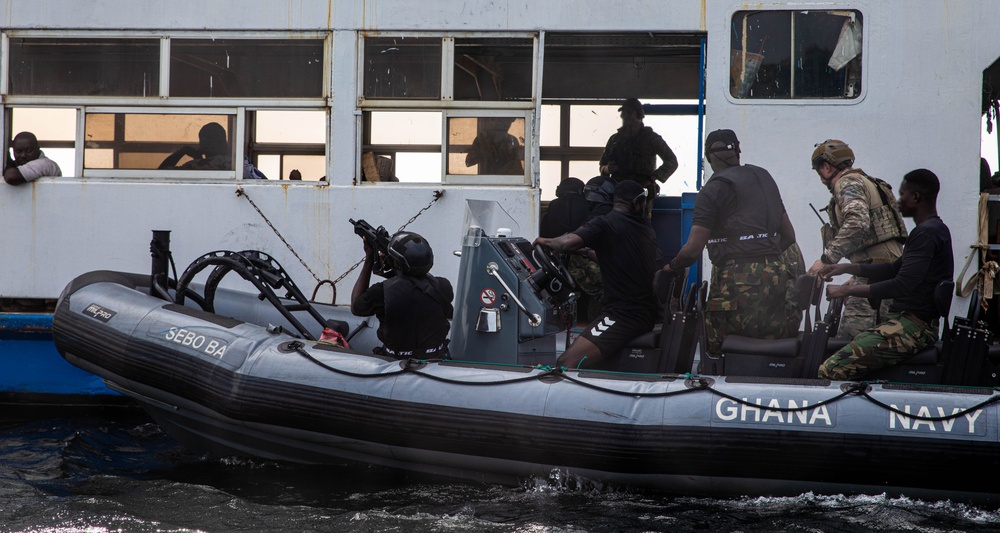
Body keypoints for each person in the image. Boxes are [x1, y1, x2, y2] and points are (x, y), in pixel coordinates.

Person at [662, 129, 800, 354]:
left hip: (736, 278)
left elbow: (692, 250)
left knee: (719, 346)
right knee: (768, 346)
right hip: (776, 274)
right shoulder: (764, 178)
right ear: (738, 150)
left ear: (708, 156)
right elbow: (789, 237)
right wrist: (762, 258)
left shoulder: (713, 189)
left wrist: (672, 267)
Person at [817, 169, 954, 381]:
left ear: (916, 196)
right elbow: (892, 269)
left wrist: (846, 290)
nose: (899, 201)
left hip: (914, 328)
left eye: (904, 194)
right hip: (909, 323)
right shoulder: (928, 230)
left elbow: (901, 285)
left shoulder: (927, 233)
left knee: (830, 370)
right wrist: (846, 268)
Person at [534, 180, 660, 369]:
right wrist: (584, 252)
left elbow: (566, 244)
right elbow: (616, 258)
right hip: (643, 312)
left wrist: (543, 240)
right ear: (637, 204)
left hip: (624, 315)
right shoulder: (642, 227)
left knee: (565, 363)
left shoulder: (606, 223)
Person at [807, 139, 907, 338]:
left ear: (826, 167)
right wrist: (855, 279)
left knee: (850, 345)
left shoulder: (848, 183)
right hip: (883, 272)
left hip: (878, 275)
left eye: (819, 172)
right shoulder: (865, 181)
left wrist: (826, 260)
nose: (821, 179)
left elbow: (857, 223)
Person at [351, 231, 454, 360]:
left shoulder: (381, 292)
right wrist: (396, 267)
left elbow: (356, 307)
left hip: (394, 362)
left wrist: (369, 260)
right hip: (435, 360)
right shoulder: (443, 287)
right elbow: (414, 288)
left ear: (396, 263)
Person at [598, 98, 678, 218]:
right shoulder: (615, 140)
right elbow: (602, 167)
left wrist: (652, 178)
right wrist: (608, 169)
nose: (626, 118)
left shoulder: (651, 138)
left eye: (629, 114)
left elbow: (672, 161)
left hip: (642, 192)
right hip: (618, 194)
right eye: (624, 114)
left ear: (639, 115)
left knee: (640, 228)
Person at [158, 122, 267, 180]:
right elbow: (263, 181)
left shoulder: (196, 166)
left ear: (204, 144)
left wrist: (182, 151)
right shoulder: (240, 162)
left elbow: (161, 173)